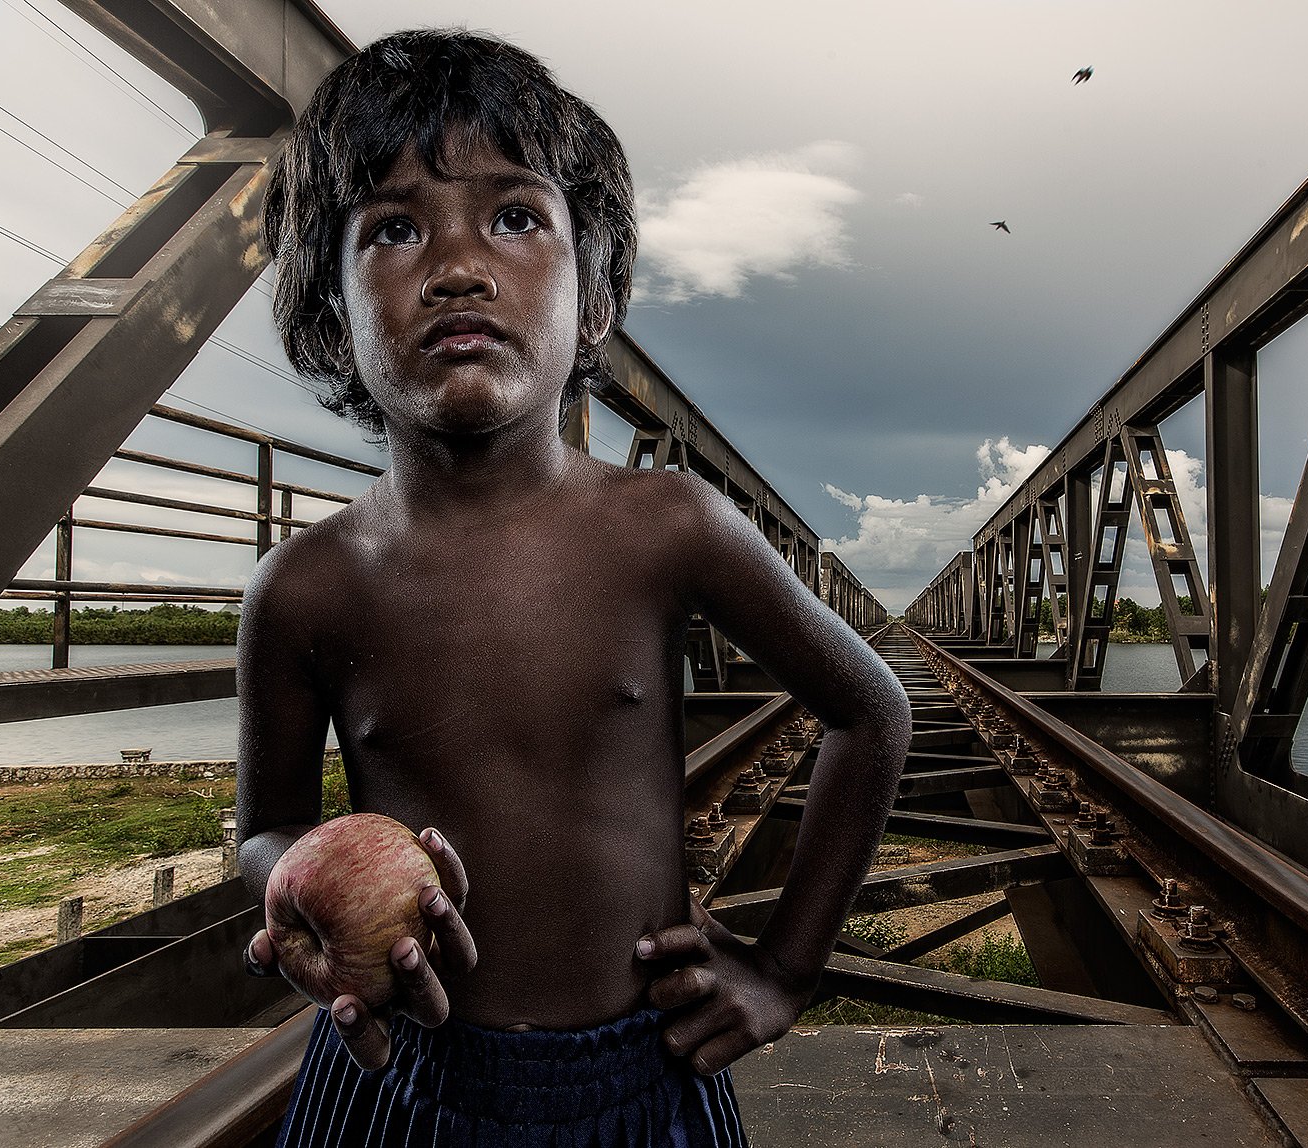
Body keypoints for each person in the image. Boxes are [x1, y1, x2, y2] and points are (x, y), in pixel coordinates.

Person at [235, 29, 911, 1147]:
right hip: (397, 1074)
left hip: (638, 1074)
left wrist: (786, 965)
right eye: (394, 228)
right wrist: (293, 888)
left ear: (596, 298)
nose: (459, 263)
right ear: (329, 317)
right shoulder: (306, 587)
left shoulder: (667, 523)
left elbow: (869, 706)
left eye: (515, 218)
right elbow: (267, 826)